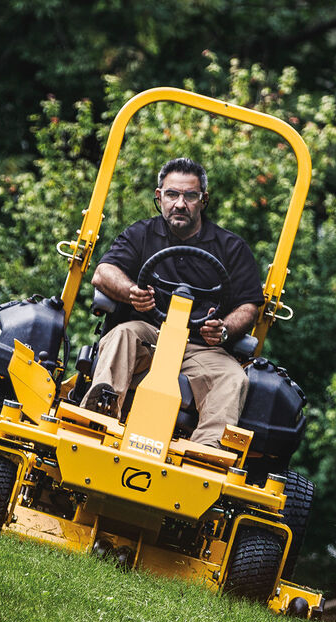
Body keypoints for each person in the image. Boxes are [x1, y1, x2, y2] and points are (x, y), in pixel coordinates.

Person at [82, 157, 263, 447]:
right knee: (122, 334)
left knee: (233, 376)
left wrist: (225, 329)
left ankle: (206, 451)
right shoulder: (141, 234)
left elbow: (249, 307)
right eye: (172, 194)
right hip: (147, 334)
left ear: (203, 200)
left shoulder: (231, 248)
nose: (180, 204)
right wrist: (132, 292)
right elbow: (104, 272)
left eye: (190, 196)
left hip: (200, 346)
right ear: (159, 197)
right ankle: (99, 416)